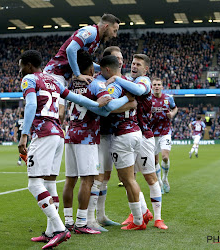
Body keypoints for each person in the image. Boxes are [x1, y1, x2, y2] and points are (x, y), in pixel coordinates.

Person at [17, 50, 111, 249]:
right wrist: (96, 103)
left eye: (21, 66)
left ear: (28, 65)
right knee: (50, 184)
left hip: (43, 134)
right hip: (59, 134)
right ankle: (51, 231)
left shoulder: (29, 79)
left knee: (34, 184)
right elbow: (77, 100)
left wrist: (24, 135)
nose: (20, 70)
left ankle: (60, 229)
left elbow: (32, 104)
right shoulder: (53, 81)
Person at [63, 50, 133, 234]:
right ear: (91, 67)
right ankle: (81, 223)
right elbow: (107, 108)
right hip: (87, 137)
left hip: (70, 134)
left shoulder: (72, 83)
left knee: (70, 180)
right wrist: (128, 99)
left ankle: (68, 221)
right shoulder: (94, 84)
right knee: (88, 180)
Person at [106, 54, 168, 230]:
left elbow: (139, 91)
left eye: (138, 64)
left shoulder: (145, 81)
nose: (134, 66)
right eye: (133, 63)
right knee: (127, 177)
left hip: (145, 135)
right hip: (131, 133)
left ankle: (158, 218)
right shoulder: (127, 80)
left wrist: (117, 78)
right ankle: (139, 212)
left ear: (145, 69)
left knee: (150, 176)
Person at [87, 46, 135, 230]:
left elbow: (134, 103)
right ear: (107, 64)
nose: (121, 61)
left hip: (109, 134)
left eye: (122, 58)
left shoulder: (119, 81)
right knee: (96, 177)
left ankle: (101, 216)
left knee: (105, 176)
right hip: (97, 134)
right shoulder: (100, 82)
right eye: (117, 58)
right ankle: (90, 219)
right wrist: (127, 104)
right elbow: (105, 109)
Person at [44, 13, 120, 86]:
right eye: (114, 31)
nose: (115, 35)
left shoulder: (96, 41)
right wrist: (78, 74)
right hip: (55, 74)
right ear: (106, 26)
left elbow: (82, 61)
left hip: (63, 77)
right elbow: (70, 49)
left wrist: (102, 68)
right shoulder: (91, 32)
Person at [150, 78, 178, 194]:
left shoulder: (168, 98)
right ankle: (160, 182)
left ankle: (165, 178)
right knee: (155, 160)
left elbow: (175, 108)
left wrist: (172, 114)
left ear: (162, 86)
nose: (157, 86)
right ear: (152, 87)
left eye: (159, 85)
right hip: (152, 133)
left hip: (165, 131)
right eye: (155, 85)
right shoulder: (148, 99)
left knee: (165, 157)